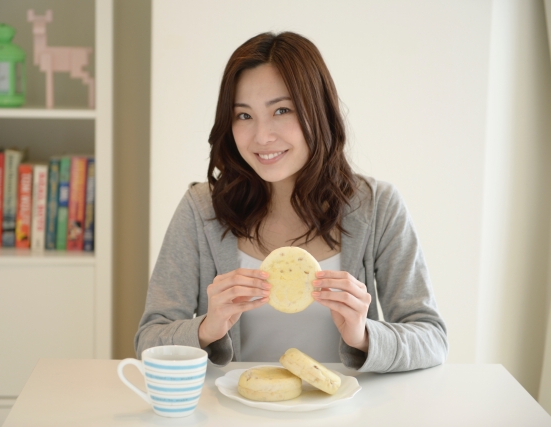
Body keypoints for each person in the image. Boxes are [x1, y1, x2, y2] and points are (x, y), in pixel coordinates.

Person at [135, 31, 448, 372]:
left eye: (281, 110)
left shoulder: (378, 207)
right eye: (243, 115)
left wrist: (363, 336)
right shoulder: (201, 209)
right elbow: (149, 340)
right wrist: (207, 328)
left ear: (319, 111)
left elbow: (431, 338)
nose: (262, 136)